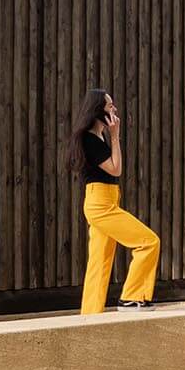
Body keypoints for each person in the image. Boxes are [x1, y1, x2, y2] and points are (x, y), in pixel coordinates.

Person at [69, 88, 160, 313]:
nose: (115, 109)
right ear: (98, 110)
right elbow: (116, 169)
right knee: (149, 242)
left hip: (106, 200)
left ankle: (90, 316)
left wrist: (111, 136)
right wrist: (116, 135)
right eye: (110, 106)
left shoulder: (98, 136)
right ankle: (132, 297)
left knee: (99, 262)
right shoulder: (89, 139)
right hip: (100, 204)